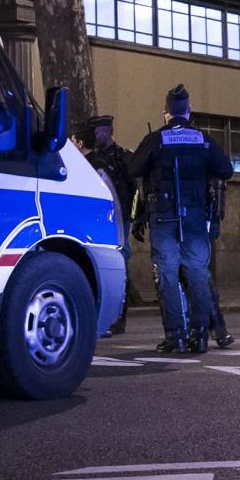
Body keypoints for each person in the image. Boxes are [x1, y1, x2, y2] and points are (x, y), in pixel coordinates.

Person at [128, 86, 234, 354]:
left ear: (168, 113)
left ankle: (175, 335)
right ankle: (199, 336)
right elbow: (226, 170)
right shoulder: (202, 139)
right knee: (197, 273)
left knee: (166, 275)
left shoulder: (157, 139)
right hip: (195, 216)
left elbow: (134, 169)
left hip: (163, 217)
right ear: (189, 111)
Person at [83, 115, 139, 333]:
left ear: (108, 131)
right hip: (99, 219)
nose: (96, 136)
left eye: (99, 131)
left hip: (120, 219)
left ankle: (118, 318)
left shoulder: (123, 157)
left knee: (120, 263)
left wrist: (133, 219)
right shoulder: (92, 158)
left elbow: (134, 192)